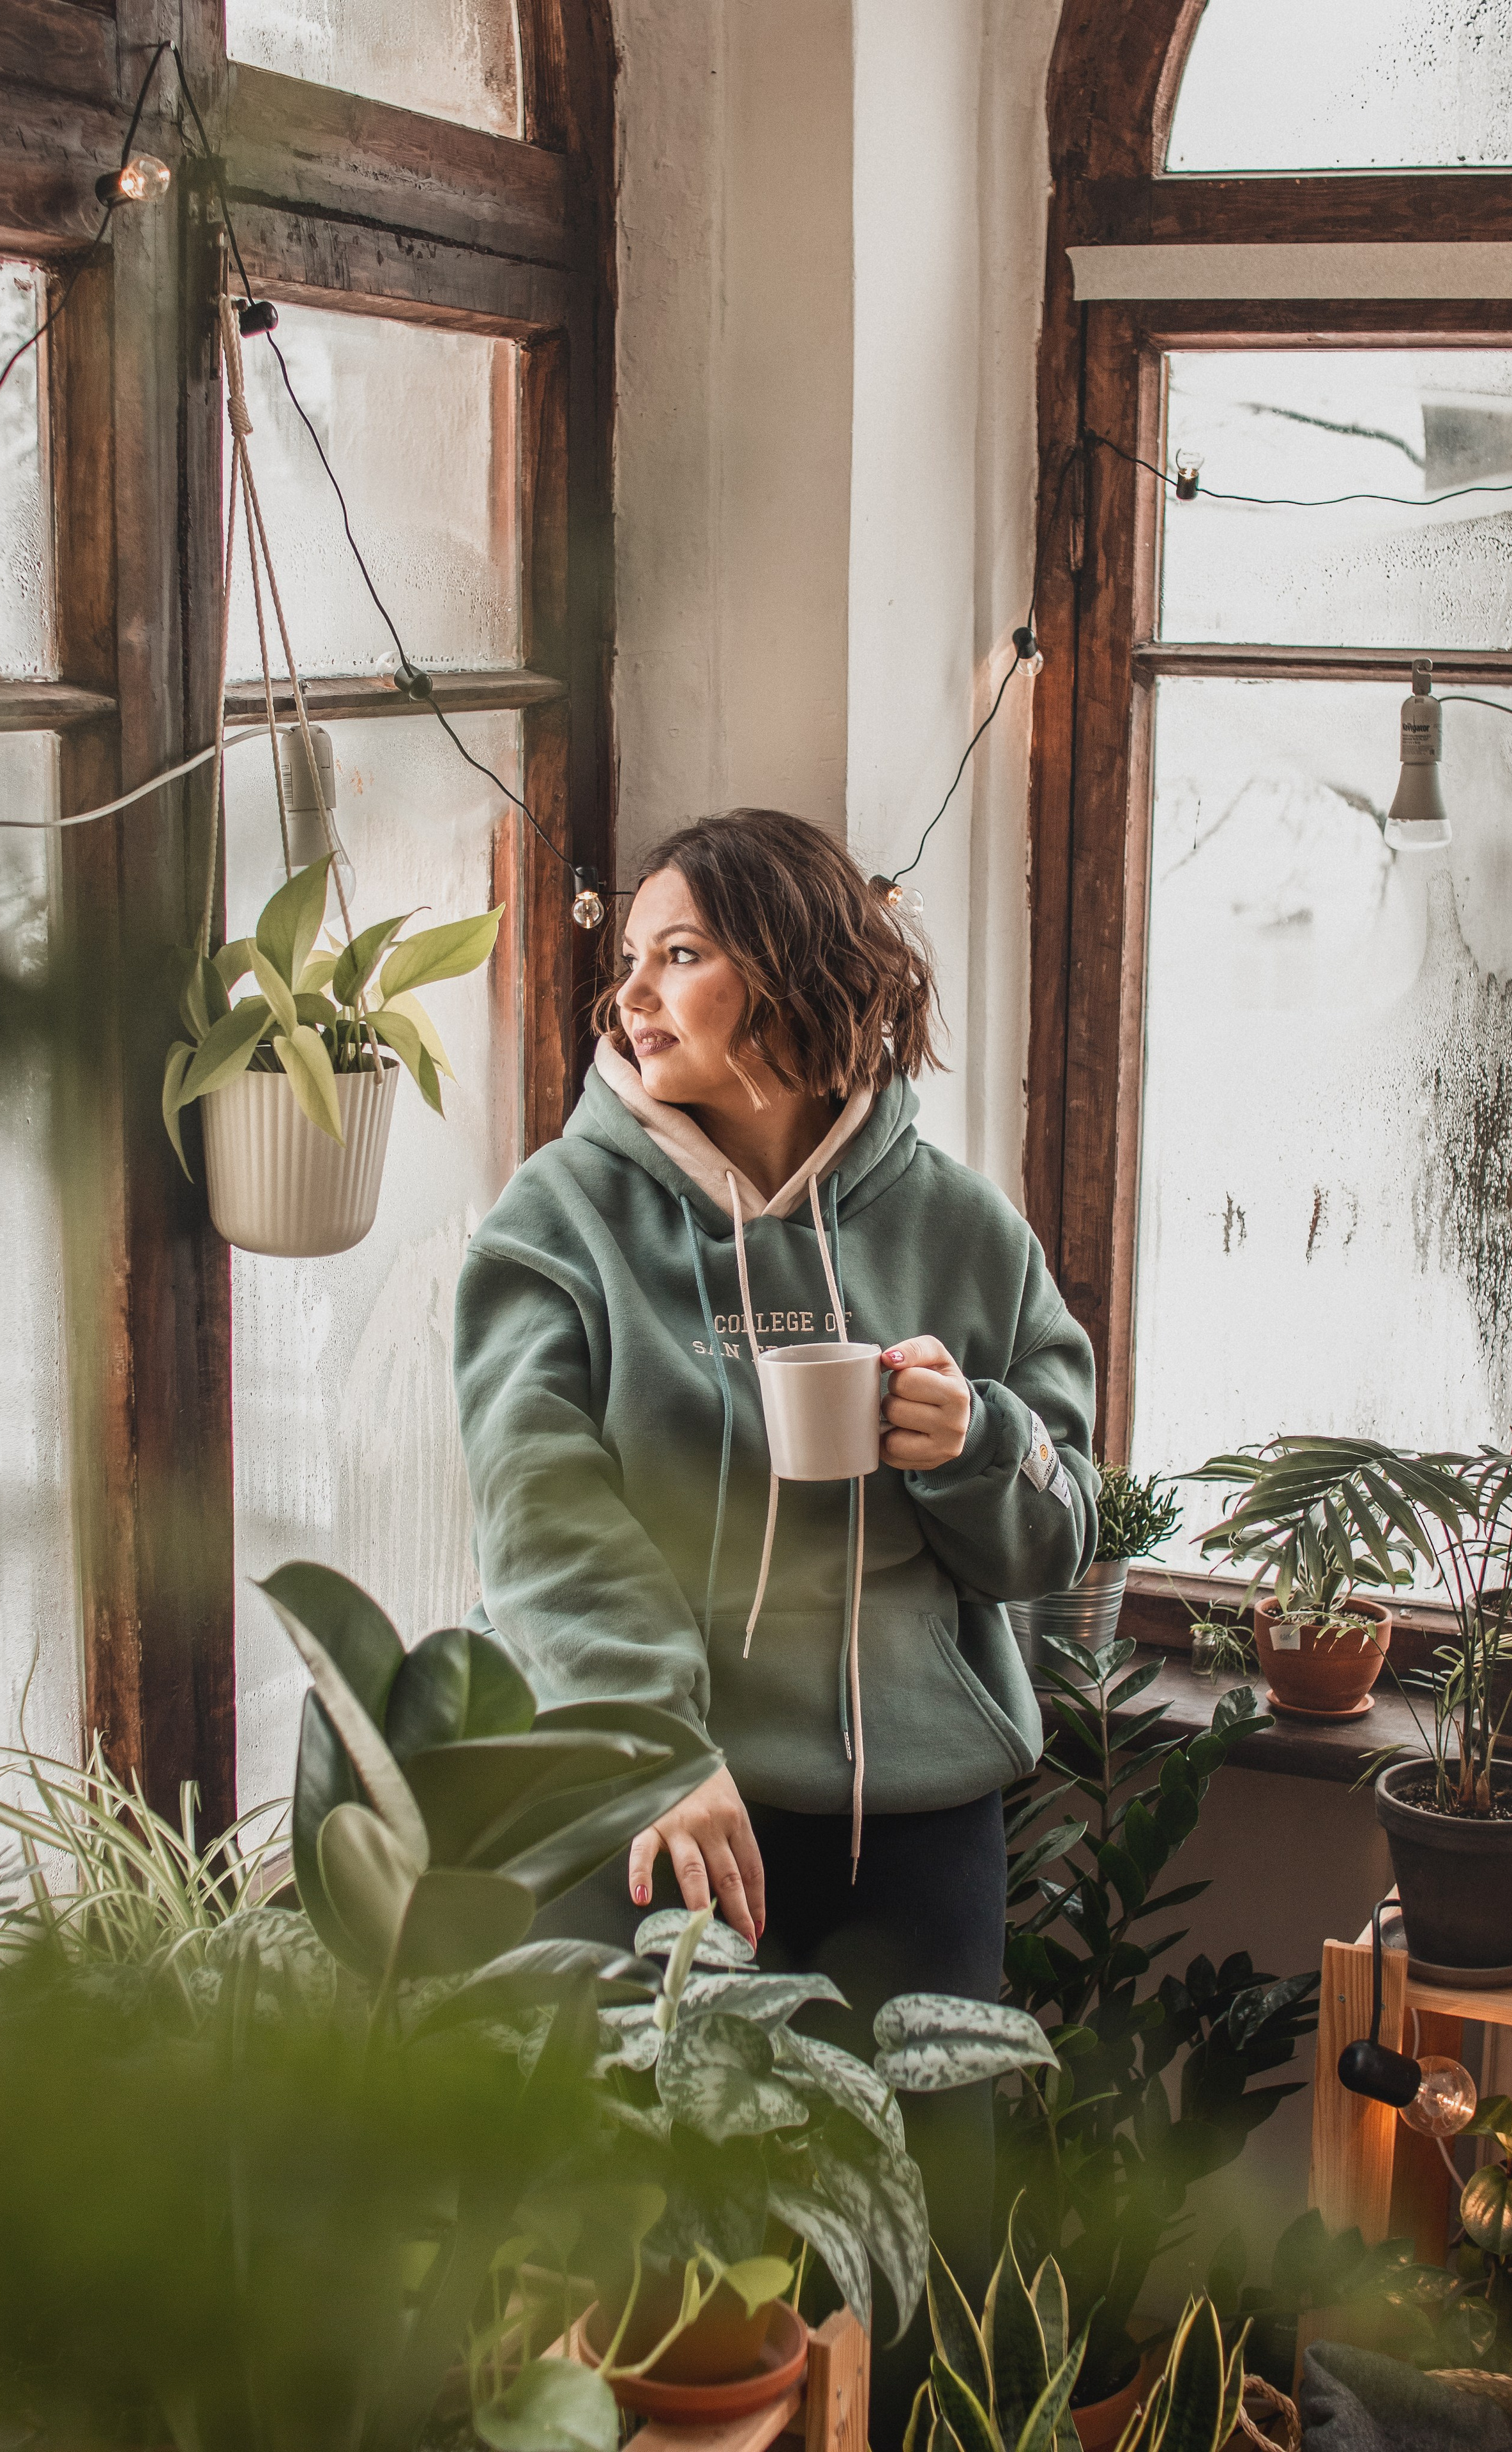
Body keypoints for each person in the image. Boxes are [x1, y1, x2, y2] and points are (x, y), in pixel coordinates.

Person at [453, 809, 1096, 2434]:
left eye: (680, 955)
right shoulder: (558, 1223)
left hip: (915, 1829)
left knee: (914, 2265)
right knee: (671, 2286)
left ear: (802, 977)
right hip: (663, 1824)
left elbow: (1059, 1525)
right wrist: (655, 1750)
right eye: (626, 966)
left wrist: (983, 1446)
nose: (633, 999)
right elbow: (543, 1519)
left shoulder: (958, 1228)